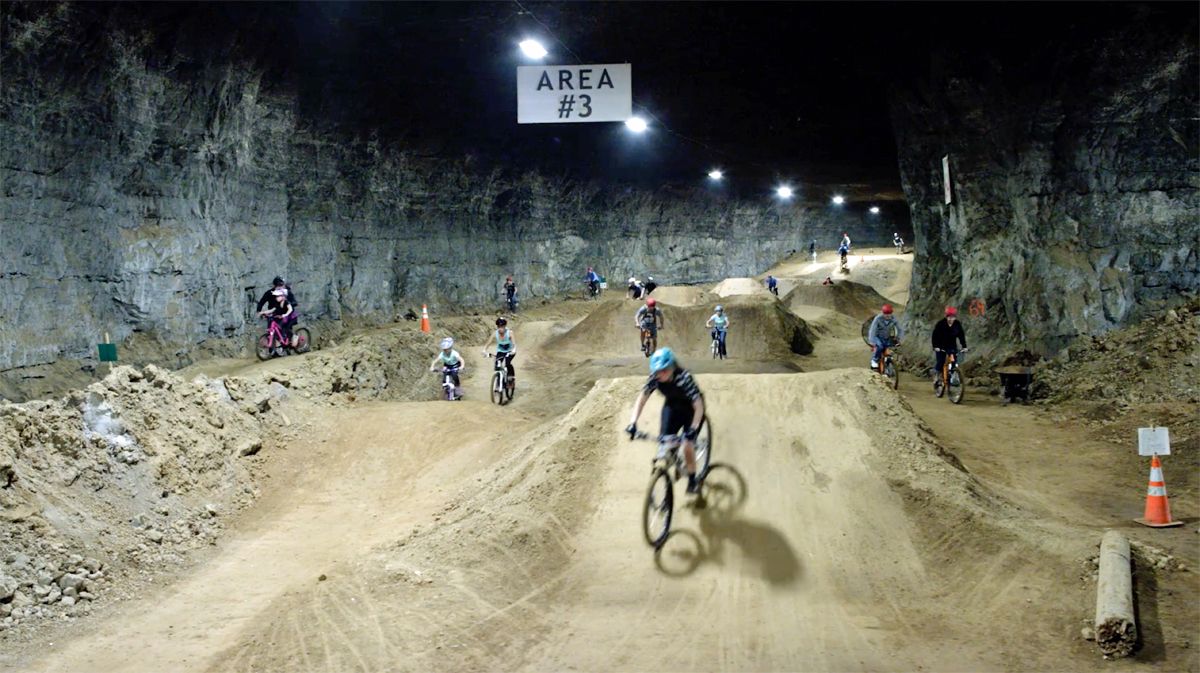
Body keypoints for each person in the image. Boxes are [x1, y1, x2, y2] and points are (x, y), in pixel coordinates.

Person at [626, 347, 706, 494]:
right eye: (657, 371)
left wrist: (693, 429)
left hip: (692, 409)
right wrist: (633, 422)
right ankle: (672, 467)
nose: (660, 374)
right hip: (672, 406)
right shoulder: (654, 378)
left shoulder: (683, 377)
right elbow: (642, 399)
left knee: (688, 444)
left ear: (672, 367)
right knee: (665, 441)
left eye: (664, 370)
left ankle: (693, 480)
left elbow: (698, 405)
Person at [932, 306, 968, 382]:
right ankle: (937, 375)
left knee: (954, 361)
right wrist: (935, 346)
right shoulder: (941, 324)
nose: (951, 319)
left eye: (952, 317)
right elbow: (934, 335)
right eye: (949, 317)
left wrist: (964, 346)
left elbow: (961, 335)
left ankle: (953, 377)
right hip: (941, 346)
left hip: (952, 346)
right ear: (946, 317)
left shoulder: (957, 324)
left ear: (955, 317)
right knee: (941, 361)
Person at [257, 289, 295, 355]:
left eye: (278, 296)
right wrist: (263, 312)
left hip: (290, 317)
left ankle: (292, 338)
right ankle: (280, 344)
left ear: (283, 296)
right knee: (277, 327)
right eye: (276, 296)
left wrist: (285, 315)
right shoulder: (277, 303)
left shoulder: (286, 302)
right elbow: (272, 310)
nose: (276, 297)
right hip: (281, 317)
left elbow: (290, 309)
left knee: (284, 327)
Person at [482, 317, 516, 388]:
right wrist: (484, 350)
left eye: (502, 327)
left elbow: (513, 343)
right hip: (500, 352)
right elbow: (489, 342)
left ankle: (511, 379)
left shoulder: (509, 333)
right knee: (497, 365)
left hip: (510, 351)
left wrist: (514, 350)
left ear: (505, 326)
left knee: (507, 363)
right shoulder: (495, 333)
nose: (500, 328)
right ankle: (498, 383)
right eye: (499, 327)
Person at [867, 304, 903, 370]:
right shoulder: (878, 318)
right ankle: (874, 360)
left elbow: (900, 329)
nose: (887, 315)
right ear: (882, 313)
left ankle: (889, 364)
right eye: (885, 314)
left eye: (889, 314)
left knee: (891, 348)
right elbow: (872, 330)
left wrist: (899, 339)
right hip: (877, 337)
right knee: (880, 346)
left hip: (887, 337)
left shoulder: (894, 319)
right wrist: (872, 341)